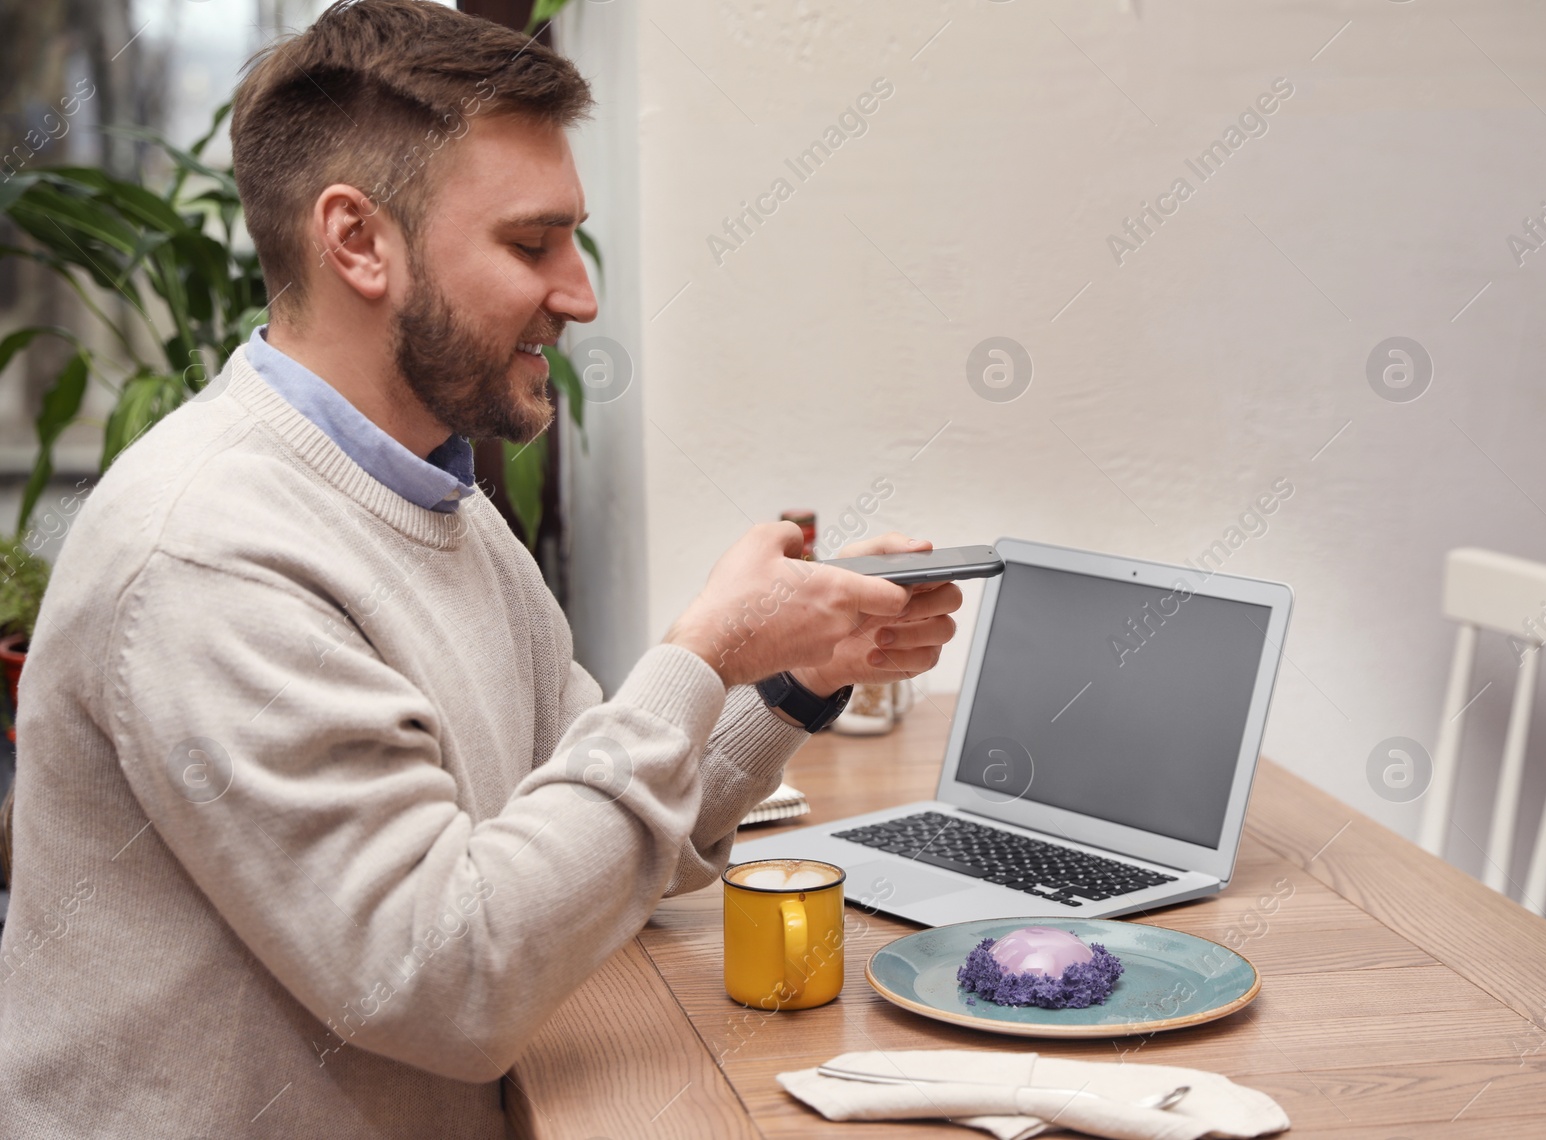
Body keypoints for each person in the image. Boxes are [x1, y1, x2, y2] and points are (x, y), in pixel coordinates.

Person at [0, 2, 961, 1136]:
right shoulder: (209, 556)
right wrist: (702, 648)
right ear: (357, 241)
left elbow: (591, 845)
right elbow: (445, 983)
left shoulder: (432, 494)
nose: (580, 293)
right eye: (529, 243)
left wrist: (791, 677)